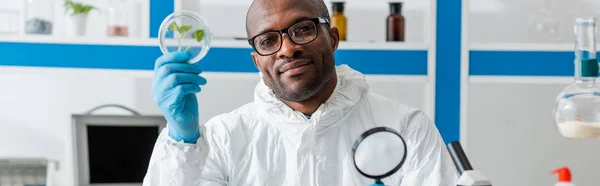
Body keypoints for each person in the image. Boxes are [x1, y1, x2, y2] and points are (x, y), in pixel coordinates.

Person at [143, 0, 459, 185]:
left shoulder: (406, 127)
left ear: (332, 38)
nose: (288, 48)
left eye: (303, 29)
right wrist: (181, 139)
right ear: (257, 60)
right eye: (268, 40)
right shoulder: (224, 137)